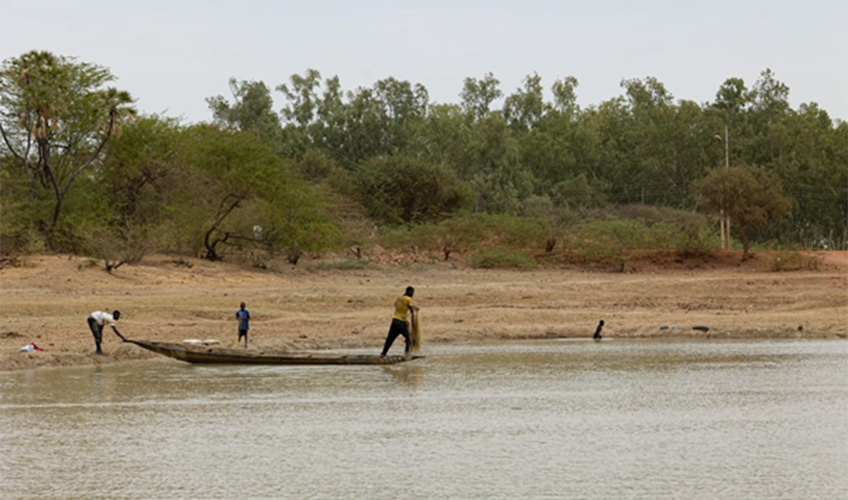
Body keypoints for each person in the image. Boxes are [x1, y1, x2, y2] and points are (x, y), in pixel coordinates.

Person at [381, 286, 416, 357]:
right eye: (412, 292)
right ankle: (407, 354)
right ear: (409, 292)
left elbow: (395, 305)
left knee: (390, 339)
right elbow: (412, 310)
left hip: (394, 321)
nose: (412, 294)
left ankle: (383, 354)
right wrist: (414, 310)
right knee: (409, 339)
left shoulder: (399, 298)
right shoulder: (409, 299)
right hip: (402, 322)